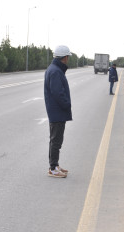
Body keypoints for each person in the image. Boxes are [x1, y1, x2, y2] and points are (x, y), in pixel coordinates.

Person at [44, 45, 73, 178]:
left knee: (55, 140)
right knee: (56, 140)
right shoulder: (55, 71)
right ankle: (53, 168)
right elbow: (57, 93)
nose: (68, 59)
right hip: (57, 111)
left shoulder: (54, 69)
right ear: (65, 57)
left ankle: (55, 165)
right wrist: (67, 104)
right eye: (68, 57)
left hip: (56, 111)